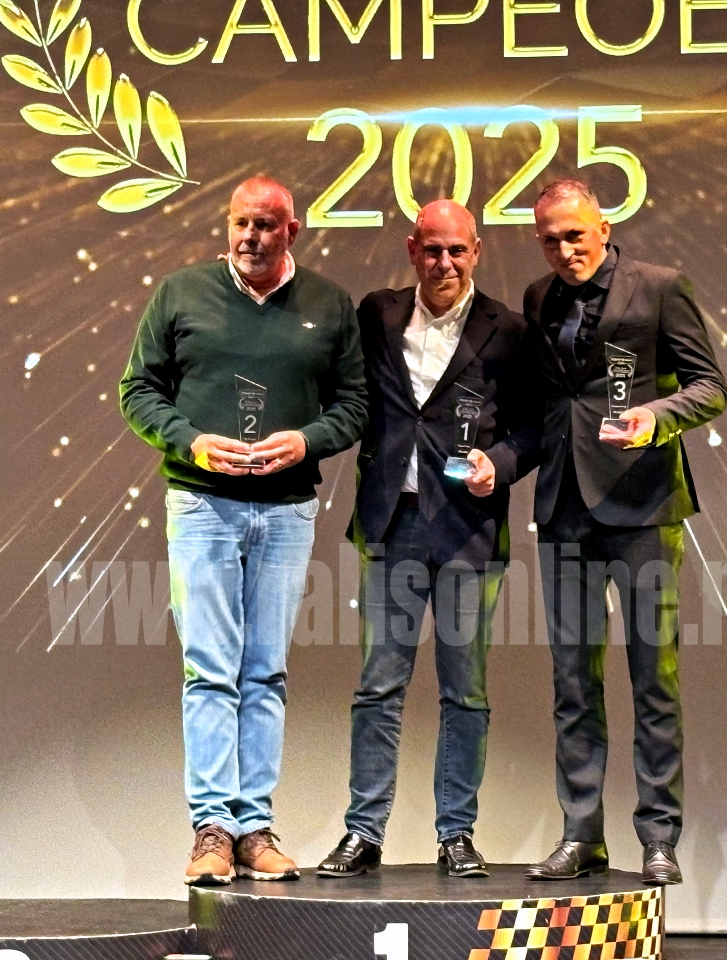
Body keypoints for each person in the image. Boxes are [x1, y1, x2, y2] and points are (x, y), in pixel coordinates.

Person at [119, 176, 368, 885]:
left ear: (292, 230)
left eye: (265, 225)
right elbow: (138, 390)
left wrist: (309, 440)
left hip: (287, 509)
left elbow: (355, 404)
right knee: (209, 670)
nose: (251, 237)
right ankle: (211, 831)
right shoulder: (180, 293)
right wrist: (191, 442)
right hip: (202, 503)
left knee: (265, 671)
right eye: (240, 224)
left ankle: (254, 827)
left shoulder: (328, 303)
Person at [317, 200, 539, 879]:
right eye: (433, 249)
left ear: (477, 252)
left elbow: (533, 428)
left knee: (464, 690)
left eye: (457, 251)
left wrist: (499, 464)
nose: (445, 263)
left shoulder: (509, 331)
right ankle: (363, 833)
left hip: (470, 529)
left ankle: (457, 834)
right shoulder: (377, 314)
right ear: (413, 249)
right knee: (378, 687)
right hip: (393, 522)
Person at [520, 180, 727, 886]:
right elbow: (552, 405)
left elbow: (710, 386)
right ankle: (581, 834)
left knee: (652, 677)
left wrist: (655, 417)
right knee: (572, 682)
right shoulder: (538, 298)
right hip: (564, 508)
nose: (564, 250)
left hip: (643, 507)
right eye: (550, 239)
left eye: (574, 235)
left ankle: (659, 836)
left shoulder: (660, 286)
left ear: (603, 228)